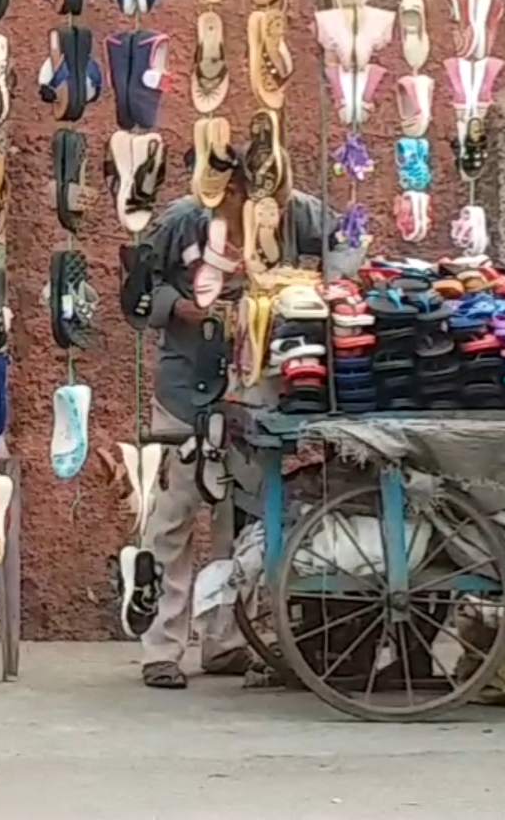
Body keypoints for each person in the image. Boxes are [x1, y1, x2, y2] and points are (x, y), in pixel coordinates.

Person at [131, 171, 325, 690]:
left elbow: (343, 252)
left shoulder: (295, 212)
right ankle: (161, 648)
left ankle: (226, 642)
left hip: (251, 390)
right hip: (184, 390)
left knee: (238, 521)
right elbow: (139, 293)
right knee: (171, 520)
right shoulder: (183, 217)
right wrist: (182, 308)